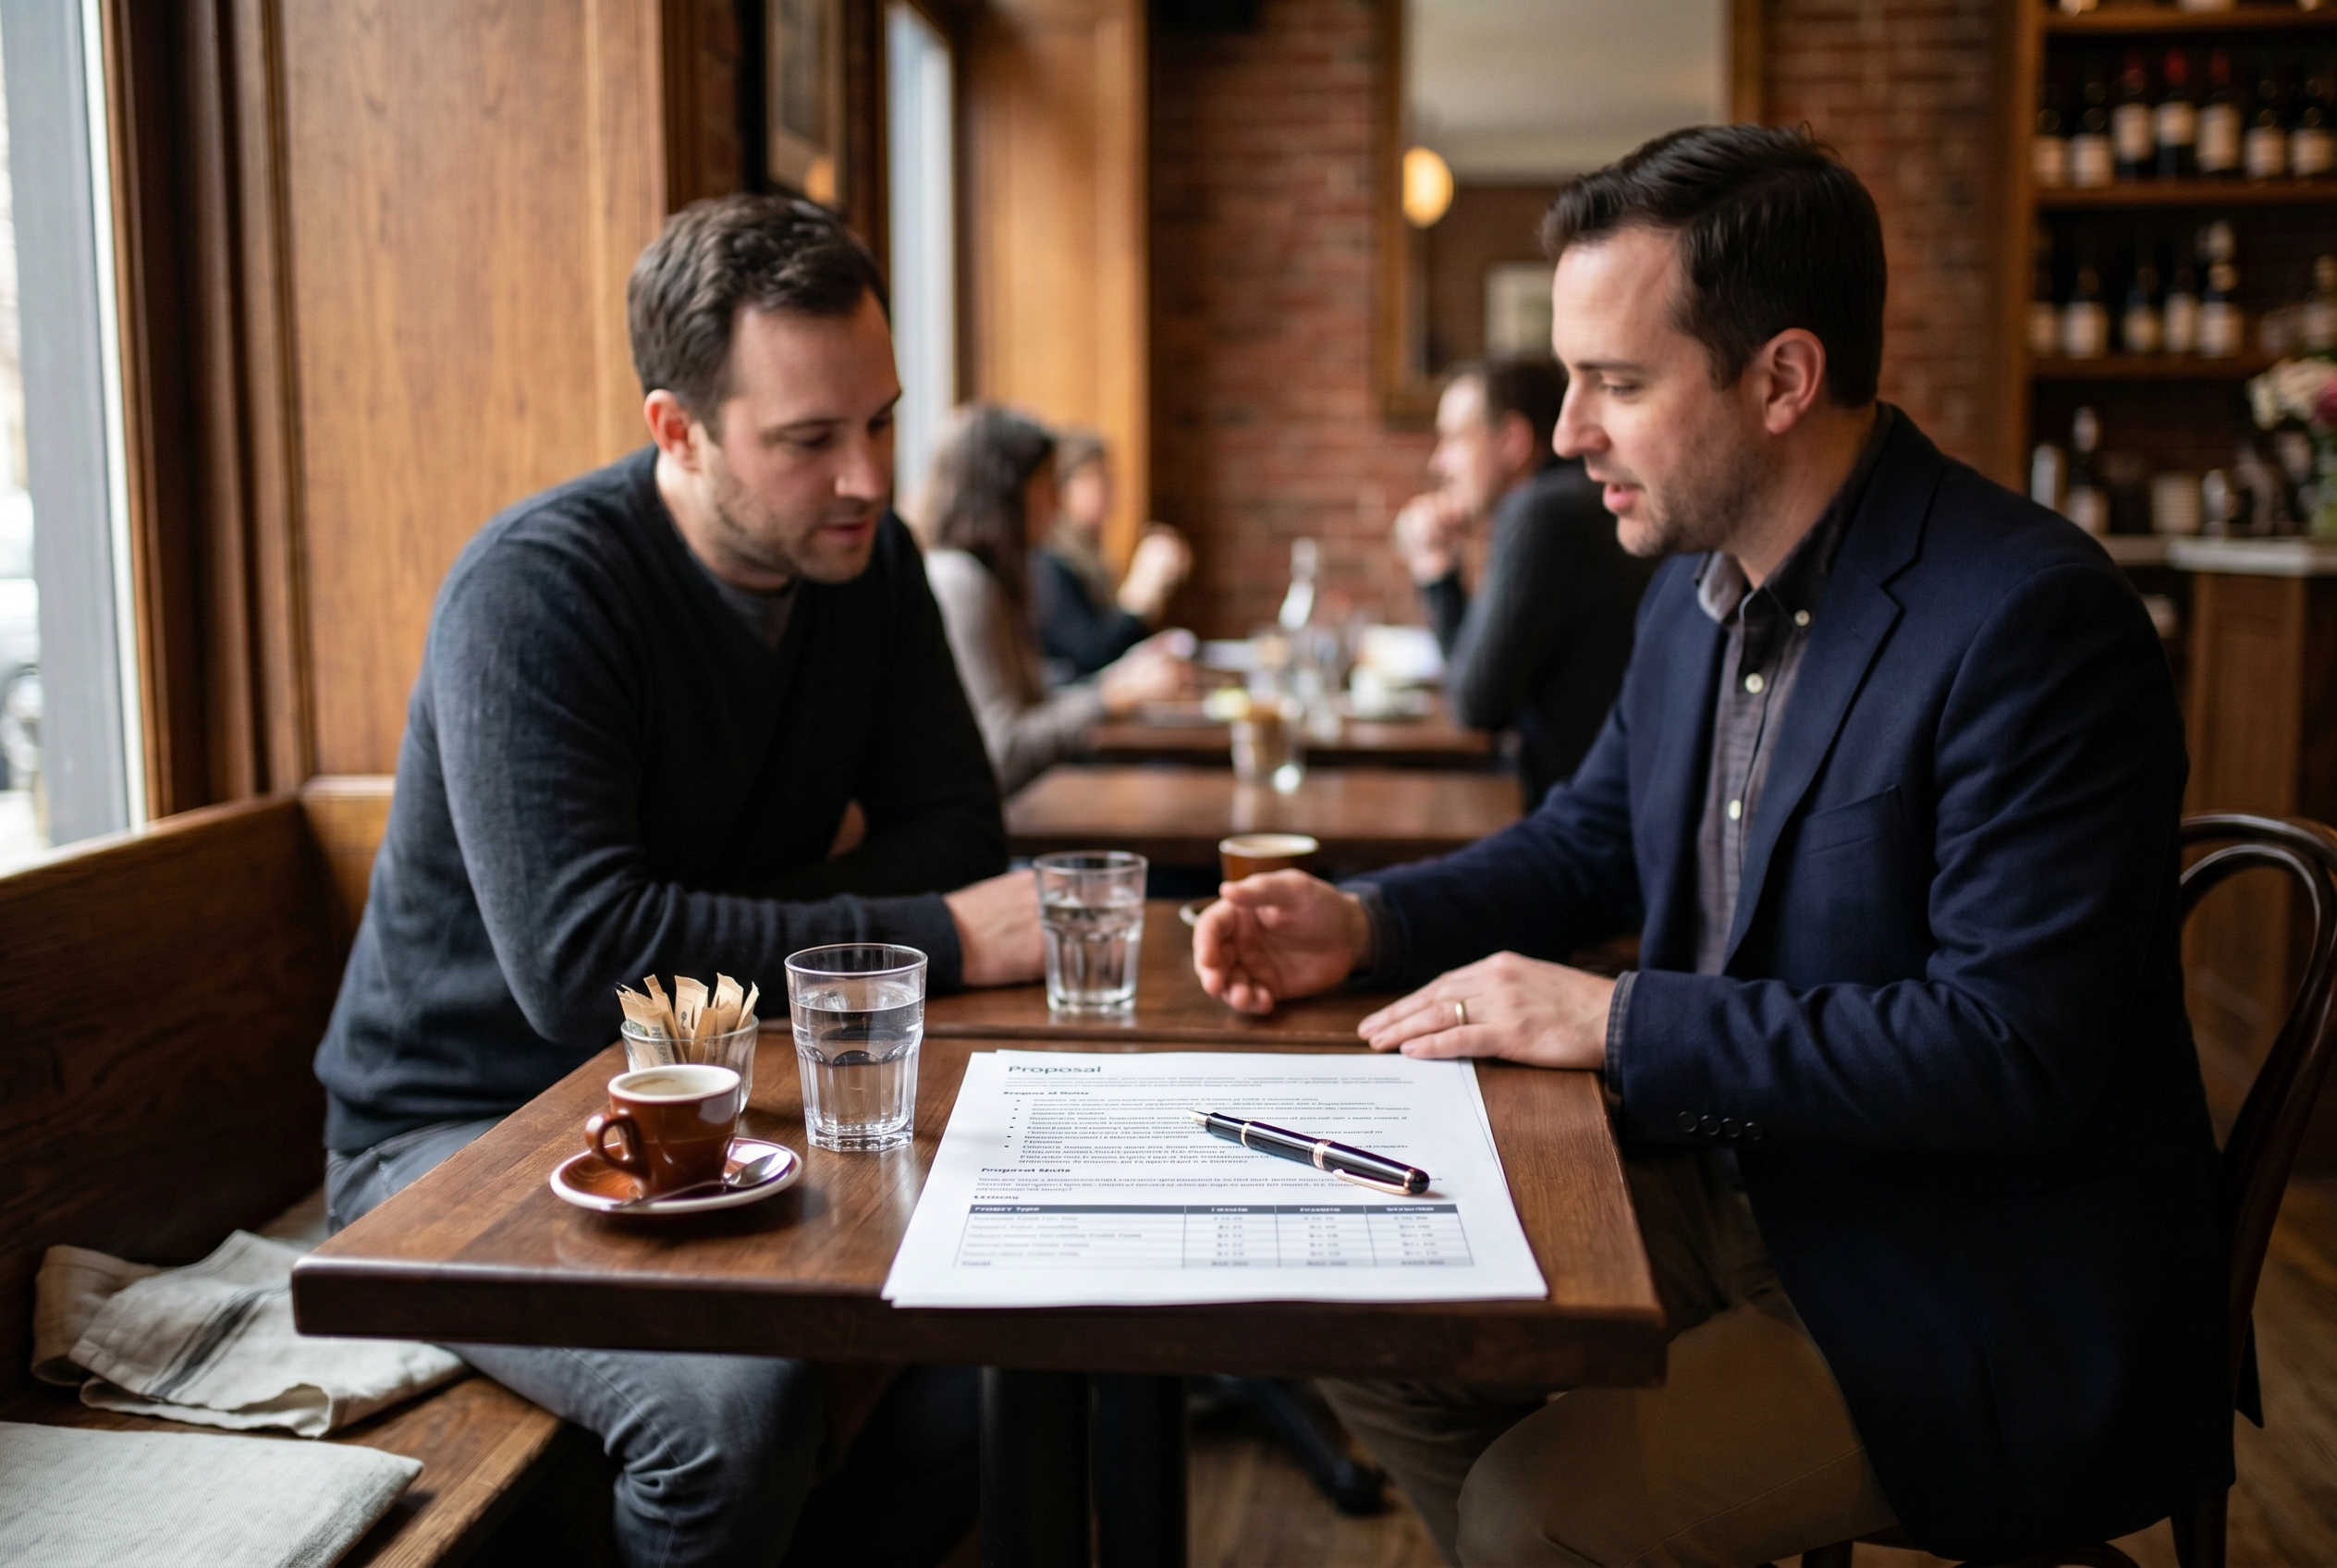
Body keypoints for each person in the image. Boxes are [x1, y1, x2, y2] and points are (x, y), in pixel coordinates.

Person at [1192, 126, 2231, 1566]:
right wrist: (1361, 925)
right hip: (1750, 1189)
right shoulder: (1698, 587)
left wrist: (1622, 1021)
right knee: (1353, 1311)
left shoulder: (2033, 621)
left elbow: (2009, 1053)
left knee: (1530, 1516)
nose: (1564, 435)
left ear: (1784, 378)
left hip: (1967, 1278)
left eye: (1616, 383)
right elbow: (1589, 843)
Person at [313, 194, 1044, 1568]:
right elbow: (584, 967)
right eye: (808, 441)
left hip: (726, 1106)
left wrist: (710, 920)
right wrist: (926, 935)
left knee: (1016, 1361)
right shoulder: (535, 593)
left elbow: (958, 829)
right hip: (457, 1139)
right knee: (736, 1416)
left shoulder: (867, 567)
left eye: (879, 420)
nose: (870, 480)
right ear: (678, 431)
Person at [1392, 357, 1657, 804]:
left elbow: (1476, 707)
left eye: (1455, 438)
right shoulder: (1571, 502)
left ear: (1512, 440)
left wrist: (1436, 573)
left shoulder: (1541, 514)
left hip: (1573, 822)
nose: (1439, 462)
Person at [917, 405, 1187, 794]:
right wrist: (1108, 698)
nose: (1057, 505)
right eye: (1046, 487)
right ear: (1006, 492)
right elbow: (1003, 752)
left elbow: (1037, 706)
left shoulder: (994, 579)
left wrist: (1117, 682)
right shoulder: (961, 583)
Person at [1029, 429, 1192, 680]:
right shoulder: (1047, 560)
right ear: (1060, 487)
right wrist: (1142, 588)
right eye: (1096, 478)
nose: (1109, 490)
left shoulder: (1092, 557)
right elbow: (1092, 656)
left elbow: (1120, 647)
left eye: (1110, 479)